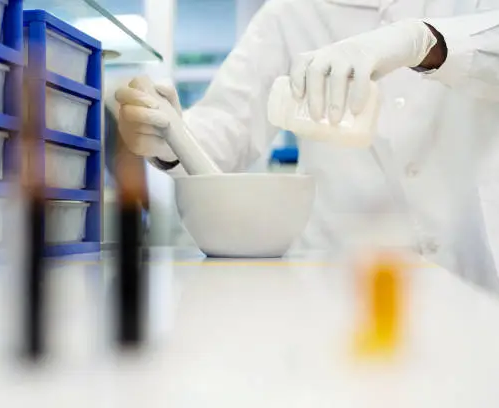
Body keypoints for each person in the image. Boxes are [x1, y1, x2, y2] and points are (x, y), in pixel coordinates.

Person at [115, 0, 499, 291]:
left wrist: (424, 40)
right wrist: (167, 137)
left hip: (476, 273)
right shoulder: (290, 11)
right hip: (340, 281)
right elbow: (225, 126)